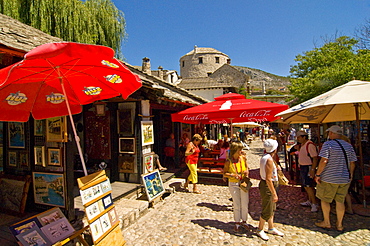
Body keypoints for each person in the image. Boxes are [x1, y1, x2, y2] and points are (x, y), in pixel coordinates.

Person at [314, 125, 357, 232]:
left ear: (331, 133)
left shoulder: (328, 145)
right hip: (344, 178)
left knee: (325, 200)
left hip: (329, 178)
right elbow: (352, 163)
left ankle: (327, 222)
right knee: (340, 201)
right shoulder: (348, 145)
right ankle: (339, 224)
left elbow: (324, 161)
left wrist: (318, 174)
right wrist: (350, 175)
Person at [256, 139, 284, 241]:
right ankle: (260, 229)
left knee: (272, 208)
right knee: (267, 209)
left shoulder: (266, 157)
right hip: (268, 186)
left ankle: (271, 227)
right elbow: (268, 179)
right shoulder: (269, 160)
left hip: (268, 184)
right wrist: (274, 193)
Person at [223, 141, 250, 232]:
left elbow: (247, 167)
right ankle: (237, 222)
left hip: (243, 183)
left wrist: (246, 172)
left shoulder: (243, 158)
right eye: (239, 150)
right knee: (237, 203)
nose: (241, 152)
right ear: (234, 150)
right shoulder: (228, 162)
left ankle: (244, 221)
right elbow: (224, 173)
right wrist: (232, 175)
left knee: (245, 203)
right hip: (233, 183)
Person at [295, 130, 320, 212]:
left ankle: (314, 203)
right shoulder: (303, 145)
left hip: (308, 167)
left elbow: (315, 158)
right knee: (306, 185)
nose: (297, 139)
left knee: (308, 186)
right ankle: (310, 200)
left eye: (299, 137)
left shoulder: (309, 145)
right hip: (303, 167)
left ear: (304, 137)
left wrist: (312, 169)